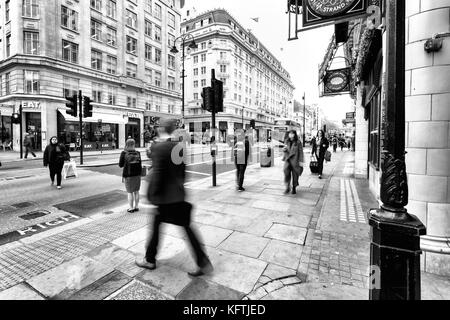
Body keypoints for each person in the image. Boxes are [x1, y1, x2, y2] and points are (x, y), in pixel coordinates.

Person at [137, 118, 213, 277]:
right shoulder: (179, 147)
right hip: (178, 196)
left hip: (164, 199)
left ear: (161, 129)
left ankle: (150, 260)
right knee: (185, 228)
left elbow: (157, 174)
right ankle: (203, 262)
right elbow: (184, 173)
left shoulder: (159, 147)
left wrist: (151, 196)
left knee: (157, 227)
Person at [119, 139, 142, 213]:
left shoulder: (124, 153)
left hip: (128, 175)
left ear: (126, 144)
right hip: (137, 175)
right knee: (136, 191)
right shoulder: (138, 152)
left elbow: (120, 165)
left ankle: (131, 208)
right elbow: (140, 164)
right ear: (134, 144)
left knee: (130, 192)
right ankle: (136, 207)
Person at [282, 130, 304, 195]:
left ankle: (294, 187)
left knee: (295, 175)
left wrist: (301, 161)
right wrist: (284, 150)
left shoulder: (298, 142)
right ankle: (287, 187)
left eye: (292, 134)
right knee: (286, 173)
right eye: (290, 134)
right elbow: (285, 149)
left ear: (294, 134)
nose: (291, 135)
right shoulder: (286, 141)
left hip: (295, 160)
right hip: (288, 160)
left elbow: (301, 152)